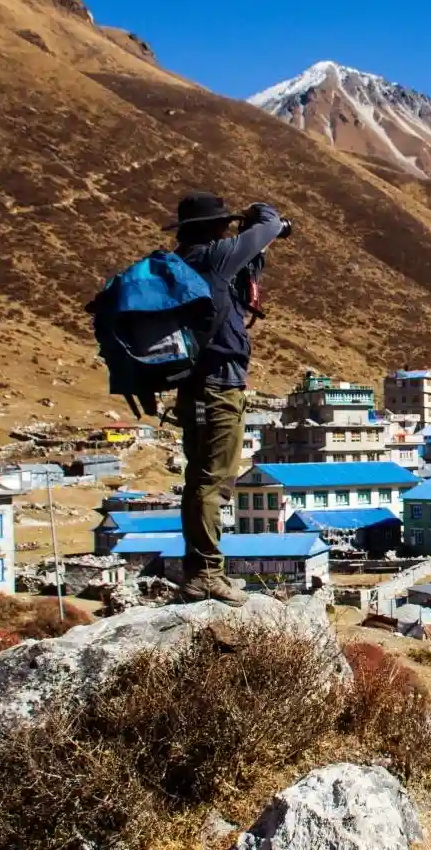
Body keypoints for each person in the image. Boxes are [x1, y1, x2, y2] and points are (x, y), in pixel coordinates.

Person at [165, 192, 285, 605]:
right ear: (214, 228)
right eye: (223, 225)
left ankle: (200, 570)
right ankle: (204, 574)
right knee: (212, 482)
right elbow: (268, 227)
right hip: (215, 387)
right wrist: (260, 216)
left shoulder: (187, 262)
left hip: (202, 386)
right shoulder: (212, 257)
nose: (226, 231)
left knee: (202, 478)